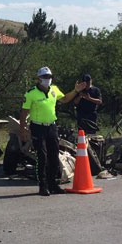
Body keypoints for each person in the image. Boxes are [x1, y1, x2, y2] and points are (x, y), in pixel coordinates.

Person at [19, 66, 86, 196]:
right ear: (38, 78)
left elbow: (65, 99)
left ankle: (53, 184)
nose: (47, 79)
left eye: (49, 77)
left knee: (54, 156)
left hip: (51, 127)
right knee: (42, 157)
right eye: (44, 77)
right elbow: (23, 113)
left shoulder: (54, 90)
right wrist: (23, 131)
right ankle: (43, 186)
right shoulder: (31, 93)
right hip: (38, 127)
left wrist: (75, 91)